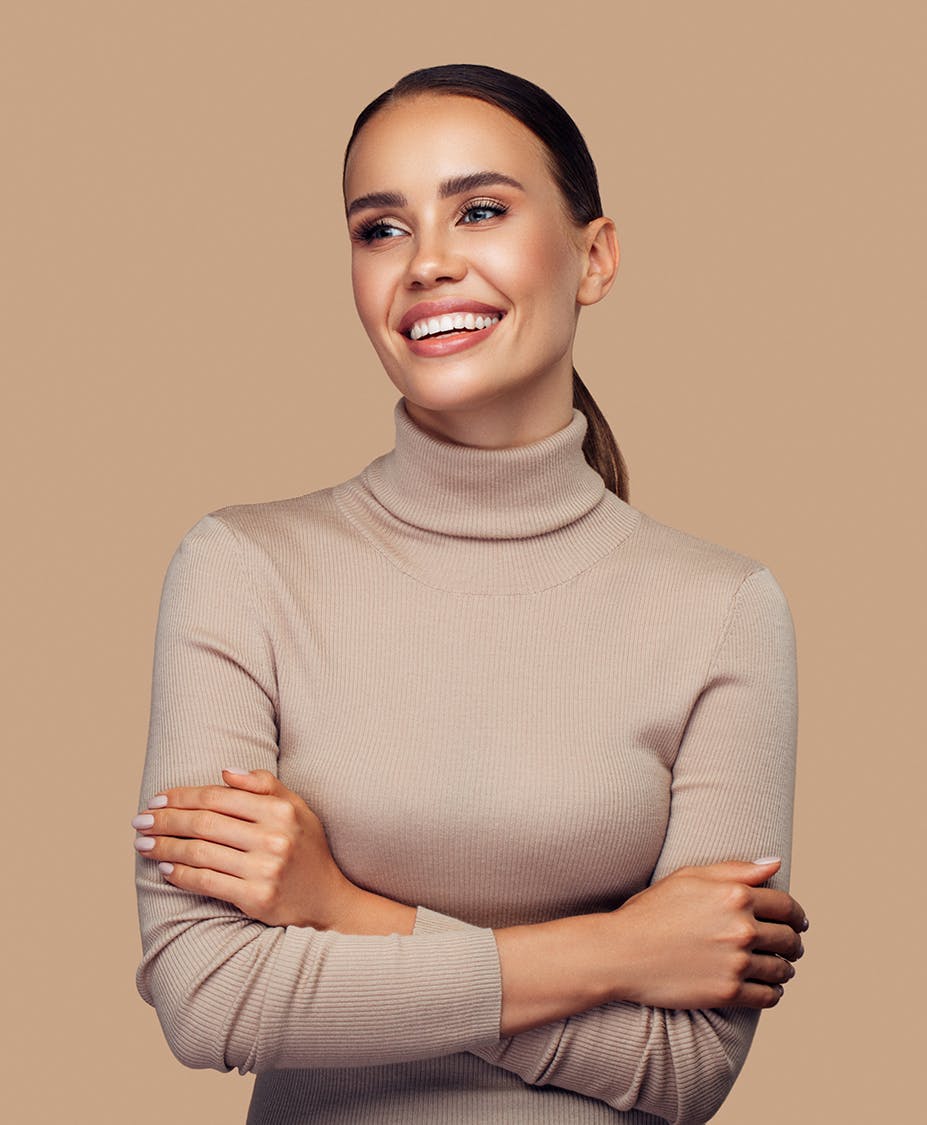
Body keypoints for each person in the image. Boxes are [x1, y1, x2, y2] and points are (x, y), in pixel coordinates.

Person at [132, 64, 807, 1124]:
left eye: (480, 210)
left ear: (594, 257)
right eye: (380, 229)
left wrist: (346, 912)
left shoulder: (723, 609)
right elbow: (211, 997)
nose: (428, 263)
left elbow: (684, 1071)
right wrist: (620, 950)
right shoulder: (244, 570)